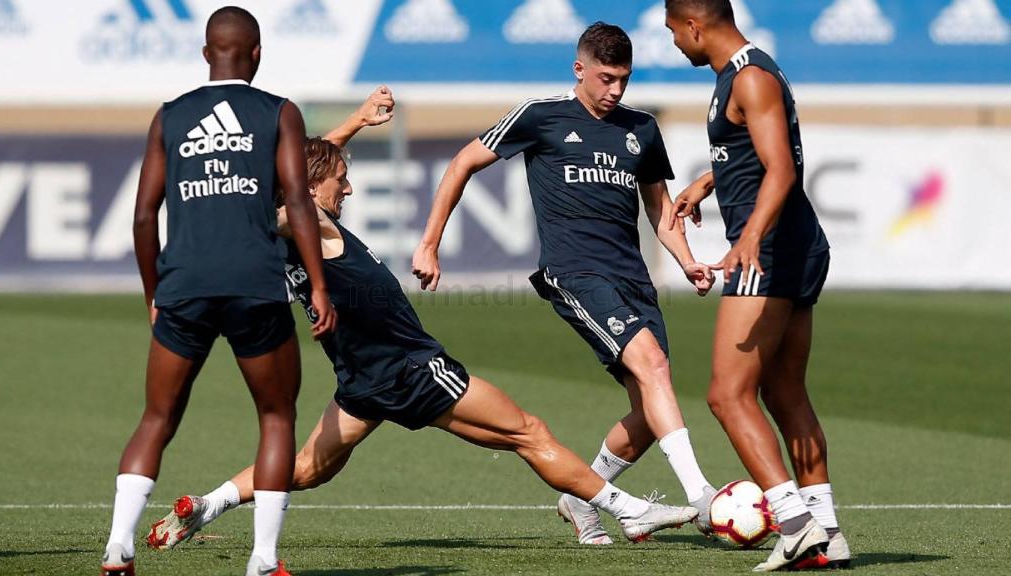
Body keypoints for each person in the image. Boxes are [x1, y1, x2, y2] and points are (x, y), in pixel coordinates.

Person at [146, 110, 699, 563]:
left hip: (360, 377)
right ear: (312, 187)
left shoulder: (298, 217)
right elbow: (289, 194)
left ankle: (207, 505)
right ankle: (626, 508)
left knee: (308, 469)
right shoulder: (307, 220)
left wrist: (355, 125)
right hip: (411, 367)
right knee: (528, 432)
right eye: (341, 179)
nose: (350, 187)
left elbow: (302, 173)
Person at [411, 22, 717, 545]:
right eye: (605, 78)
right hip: (574, 272)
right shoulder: (541, 116)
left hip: (633, 279)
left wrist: (688, 261)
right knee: (654, 366)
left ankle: (580, 499)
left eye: (623, 79)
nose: (615, 90)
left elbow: (659, 207)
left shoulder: (641, 128)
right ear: (580, 70)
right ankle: (703, 496)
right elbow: (464, 162)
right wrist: (430, 242)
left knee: (648, 409)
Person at [100, 7, 334, 576]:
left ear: (207, 54)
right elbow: (300, 202)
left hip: (185, 286)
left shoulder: (170, 116)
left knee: (157, 417)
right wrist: (319, 285)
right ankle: (262, 559)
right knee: (277, 416)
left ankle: (118, 547)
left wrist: (154, 292)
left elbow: (141, 217)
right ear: (256, 54)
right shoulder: (278, 111)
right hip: (255, 285)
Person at [663, 0, 848, 571]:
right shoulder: (742, 75)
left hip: (768, 252)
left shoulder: (750, 75)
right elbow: (752, 150)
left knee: (727, 394)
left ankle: (794, 525)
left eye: (674, 32)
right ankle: (829, 535)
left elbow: (783, 169)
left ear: (695, 26)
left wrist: (749, 239)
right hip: (793, 247)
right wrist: (706, 180)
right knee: (784, 392)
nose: (674, 43)